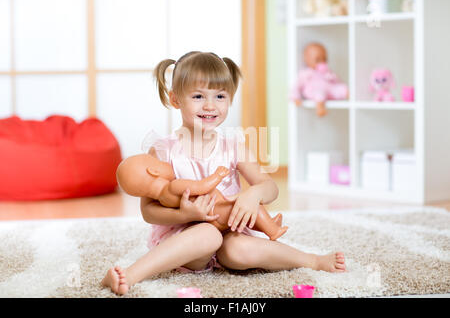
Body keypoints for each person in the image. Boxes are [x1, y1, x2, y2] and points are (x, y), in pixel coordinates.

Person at [101, 51, 346, 295]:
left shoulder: (232, 146)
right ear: (175, 99)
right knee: (208, 235)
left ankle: (313, 260)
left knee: (237, 250)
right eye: (198, 96)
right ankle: (130, 275)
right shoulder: (164, 150)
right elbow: (148, 212)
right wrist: (183, 214)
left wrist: (253, 195)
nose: (210, 105)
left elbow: (269, 186)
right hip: (189, 238)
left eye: (220, 96)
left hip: (231, 230)